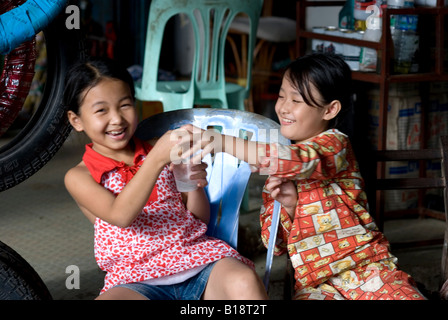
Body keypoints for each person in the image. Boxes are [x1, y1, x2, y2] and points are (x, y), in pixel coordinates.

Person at [192, 53, 425, 300]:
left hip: (368, 269)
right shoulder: (278, 172)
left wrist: (218, 140)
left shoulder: (335, 144)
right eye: (281, 96)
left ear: (330, 109)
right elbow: (276, 243)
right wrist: (292, 206)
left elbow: (295, 159)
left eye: (296, 99)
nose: (284, 107)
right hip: (315, 284)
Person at [62, 57, 268, 300]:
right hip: (134, 278)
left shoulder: (163, 151)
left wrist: (191, 184)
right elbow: (121, 215)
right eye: (101, 110)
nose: (117, 118)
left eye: (125, 105)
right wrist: (156, 159)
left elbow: (197, 219)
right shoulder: (80, 176)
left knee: (243, 281)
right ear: (76, 120)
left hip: (196, 259)